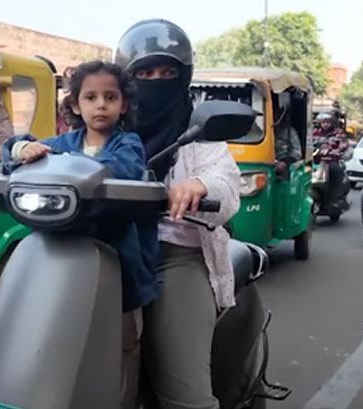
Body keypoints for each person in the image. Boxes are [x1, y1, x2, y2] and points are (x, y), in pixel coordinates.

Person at [0, 60, 157, 408]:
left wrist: (60, 166)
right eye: (91, 97)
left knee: (123, 343)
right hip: (61, 253)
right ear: (75, 105)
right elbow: (21, 153)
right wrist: (19, 153)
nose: (101, 104)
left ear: (123, 105)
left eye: (110, 97)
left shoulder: (127, 144)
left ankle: (123, 398)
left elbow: (123, 169)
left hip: (115, 263)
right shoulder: (65, 142)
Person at [115, 19, 241, 409]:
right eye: (144, 73)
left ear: (183, 77)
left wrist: (200, 185)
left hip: (172, 258)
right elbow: (60, 155)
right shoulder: (106, 123)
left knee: (185, 396)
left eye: (167, 72)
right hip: (104, 250)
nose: (156, 81)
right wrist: (12, 167)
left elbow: (226, 181)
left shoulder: (197, 130)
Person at [274, 108, 302, 179]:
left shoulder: (290, 132)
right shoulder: (262, 130)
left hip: (284, 159)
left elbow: (297, 152)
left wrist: (285, 162)